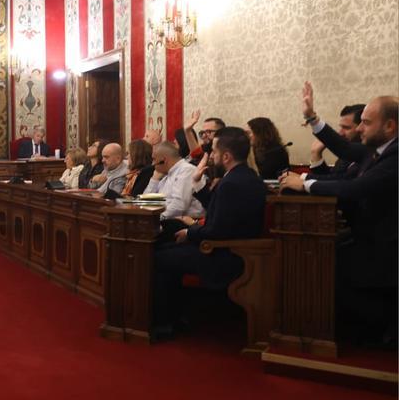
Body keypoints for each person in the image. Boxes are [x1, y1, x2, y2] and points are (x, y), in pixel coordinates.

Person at [280, 83, 397, 347]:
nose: (359, 129)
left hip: (387, 249)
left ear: (390, 126)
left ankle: (385, 326)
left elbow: (355, 189)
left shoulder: (395, 155)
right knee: (321, 260)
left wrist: (306, 184)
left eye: (366, 123)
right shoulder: (379, 150)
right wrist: (312, 117)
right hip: (371, 239)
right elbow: (343, 149)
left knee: (323, 268)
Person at [152, 127, 266, 336]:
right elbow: (218, 209)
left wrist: (190, 232)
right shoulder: (243, 176)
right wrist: (197, 183)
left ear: (226, 156)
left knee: (158, 257)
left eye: (213, 151)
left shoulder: (232, 183)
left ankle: (165, 323)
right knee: (165, 247)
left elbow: (217, 229)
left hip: (226, 254)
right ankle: (177, 316)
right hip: (226, 246)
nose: (211, 155)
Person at [143, 142, 205, 220]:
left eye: (154, 159)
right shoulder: (167, 174)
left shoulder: (186, 170)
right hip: (168, 219)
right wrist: (154, 180)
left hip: (184, 222)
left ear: (163, 160)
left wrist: (158, 218)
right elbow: (145, 202)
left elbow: (179, 205)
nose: (153, 164)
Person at [309, 103, 365, 177]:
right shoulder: (346, 155)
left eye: (346, 128)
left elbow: (342, 182)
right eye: (341, 127)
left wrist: (303, 179)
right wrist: (316, 153)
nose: (340, 133)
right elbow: (332, 177)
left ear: (362, 127)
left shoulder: (370, 154)